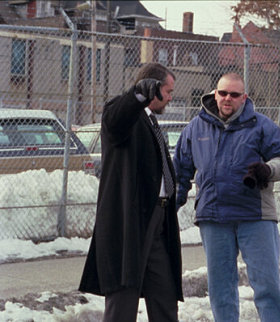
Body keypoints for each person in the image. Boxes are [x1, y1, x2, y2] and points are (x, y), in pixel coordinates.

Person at [174, 73, 280, 322]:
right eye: (223, 93)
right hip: (213, 217)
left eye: (234, 94)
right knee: (220, 289)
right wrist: (168, 207)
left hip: (255, 216)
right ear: (215, 94)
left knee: (267, 286)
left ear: (244, 98)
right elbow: (181, 173)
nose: (228, 98)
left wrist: (268, 170)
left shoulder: (262, 125)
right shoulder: (195, 128)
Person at [79, 63, 183, 321]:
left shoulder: (151, 121)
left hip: (158, 223)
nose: (170, 97)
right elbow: (115, 120)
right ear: (153, 89)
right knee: (122, 304)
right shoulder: (126, 115)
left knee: (165, 297)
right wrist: (137, 94)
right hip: (130, 225)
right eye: (167, 91)